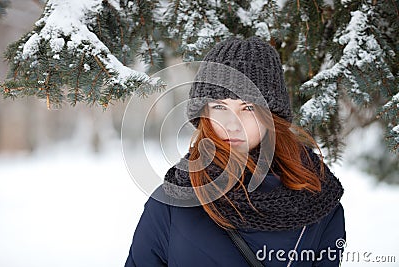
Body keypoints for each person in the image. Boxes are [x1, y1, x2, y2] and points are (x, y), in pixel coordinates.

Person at [124, 36, 345, 267]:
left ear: (272, 116)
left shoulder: (318, 200)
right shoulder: (172, 202)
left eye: (248, 108)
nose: (232, 123)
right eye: (220, 106)